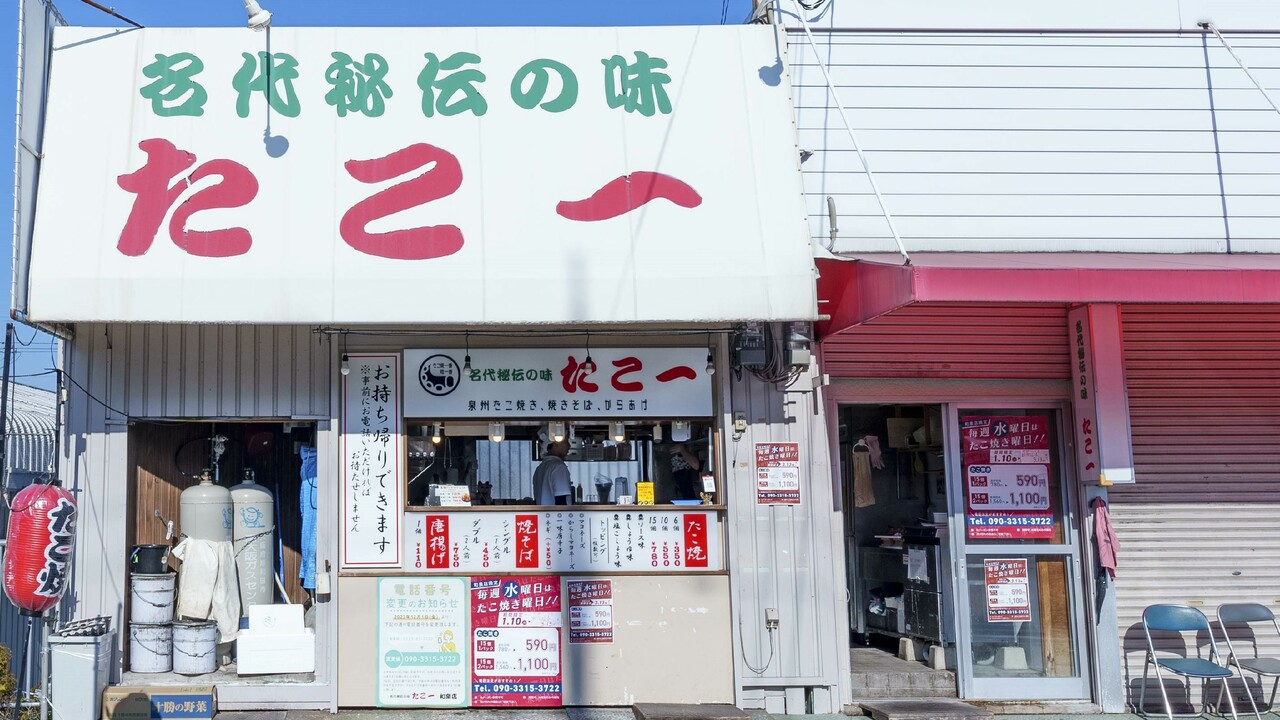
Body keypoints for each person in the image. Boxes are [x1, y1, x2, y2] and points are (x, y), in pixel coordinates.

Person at [533, 439, 573, 505]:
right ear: (556, 443)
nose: (569, 445)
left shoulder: (540, 468)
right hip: (556, 515)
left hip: (543, 514)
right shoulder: (558, 467)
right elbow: (561, 500)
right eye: (566, 441)